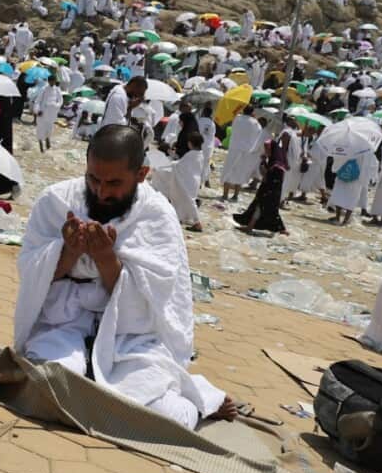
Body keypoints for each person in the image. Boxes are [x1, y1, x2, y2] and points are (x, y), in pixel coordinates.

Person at [15, 125, 236, 429]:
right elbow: (30, 271)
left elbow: (156, 299)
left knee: (166, 418)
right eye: (93, 179)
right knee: (48, 383)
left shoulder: (157, 214)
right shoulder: (56, 200)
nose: (101, 192)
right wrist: (67, 253)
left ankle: (201, 400)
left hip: (129, 336)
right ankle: (86, 376)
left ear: (142, 174)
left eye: (114, 182)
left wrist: (106, 260)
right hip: (64, 322)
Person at [234, 129, 290, 234]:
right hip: (267, 189)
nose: (266, 151)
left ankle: (251, 227)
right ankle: (281, 230)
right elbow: (264, 174)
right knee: (265, 208)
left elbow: (266, 176)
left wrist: (264, 166)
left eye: (267, 149)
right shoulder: (273, 160)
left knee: (264, 208)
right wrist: (263, 161)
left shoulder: (277, 164)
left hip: (270, 190)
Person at [155, 132, 206, 232]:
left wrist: (168, 163)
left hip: (187, 182)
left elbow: (180, 165)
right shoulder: (200, 153)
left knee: (189, 202)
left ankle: (197, 223)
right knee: (184, 201)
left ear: (190, 143)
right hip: (193, 181)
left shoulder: (191, 154)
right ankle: (179, 219)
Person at [220, 106, 263, 201]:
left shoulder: (237, 118)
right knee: (241, 173)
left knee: (228, 171)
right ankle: (235, 195)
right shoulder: (256, 123)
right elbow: (258, 136)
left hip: (234, 149)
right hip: (246, 152)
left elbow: (233, 116)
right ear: (252, 112)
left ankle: (225, 195)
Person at [34, 73, 63, 152]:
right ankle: (40, 144)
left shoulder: (57, 89)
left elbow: (60, 101)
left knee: (49, 127)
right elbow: (38, 101)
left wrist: (55, 106)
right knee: (40, 127)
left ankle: (47, 139)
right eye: (50, 81)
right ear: (48, 81)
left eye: (53, 81)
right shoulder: (44, 89)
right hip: (43, 111)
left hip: (52, 112)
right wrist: (37, 110)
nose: (52, 83)